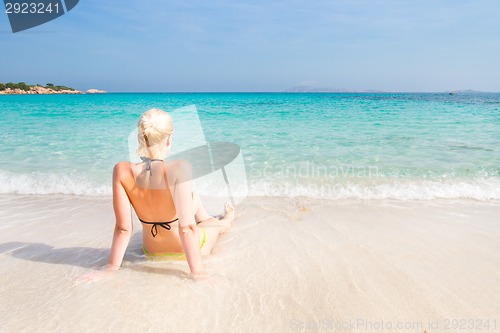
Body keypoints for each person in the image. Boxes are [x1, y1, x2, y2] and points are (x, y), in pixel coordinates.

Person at [87, 108, 235, 281]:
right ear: (169, 139)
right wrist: (198, 273)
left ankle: (207, 217)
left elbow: (123, 228)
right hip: (185, 250)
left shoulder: (121, 171)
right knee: (213, 224)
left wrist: (110, 269)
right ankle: (226, 220)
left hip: (151, 251)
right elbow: (186, 229)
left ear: (139, 138)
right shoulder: (180, 168)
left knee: (192, 199)